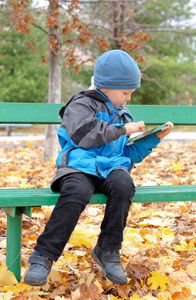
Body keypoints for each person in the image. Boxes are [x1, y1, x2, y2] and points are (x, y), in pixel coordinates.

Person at [24, 50, 173, 286]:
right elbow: (87, 135)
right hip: (79, 167)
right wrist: (124, 130)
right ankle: (43, 255)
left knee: (124, 184)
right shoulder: (81, 104)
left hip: (110, 169)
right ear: (106, 86)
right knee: (77, 192)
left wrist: (154, 138)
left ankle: (107, 249)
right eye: (125, 92)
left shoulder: (123, 114)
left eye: (131, 93)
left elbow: (127, 154)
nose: (128, 98)